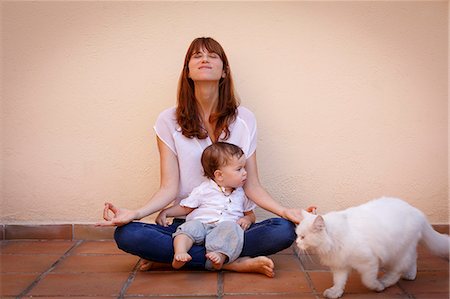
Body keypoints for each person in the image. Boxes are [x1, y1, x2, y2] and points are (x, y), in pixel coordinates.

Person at [97, 37, 305, 278]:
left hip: (231, 227)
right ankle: (229, 261)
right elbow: (168, 187)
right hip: (189, 224)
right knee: (127, 234)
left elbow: (252, 185)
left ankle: (176, 258)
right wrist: (135, 214)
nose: (204, 59)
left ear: (224, 71)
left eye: (212, 55)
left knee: (283, 230)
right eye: (197, 56)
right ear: (187, 70)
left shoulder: (245, 119)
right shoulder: (167, 121)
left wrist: (285, 211)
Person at [159, 142, 256, 271]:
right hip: (201, 224)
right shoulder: (204, 189)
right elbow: (186, 207)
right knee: (189, 227)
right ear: (219, 175)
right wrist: (166, 212)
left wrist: (247, 219)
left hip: (224, 230)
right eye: (239, 169)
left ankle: (219, 256)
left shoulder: (242, 194)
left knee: (232, 229)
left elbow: (250, 214)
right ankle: (180, 252)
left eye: (244, 168)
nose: (245, 173)